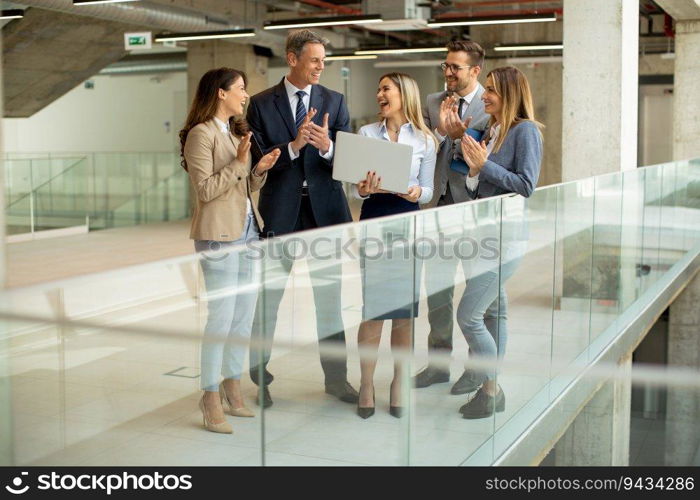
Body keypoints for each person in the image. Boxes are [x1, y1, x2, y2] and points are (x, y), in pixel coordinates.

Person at [245, 29, 358, 408]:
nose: (320, 67)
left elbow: (350, 160)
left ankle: (337, 380)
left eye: (324, 61)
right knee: (268, 300)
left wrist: (327, 147)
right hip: (281, 213)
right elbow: (257, 160)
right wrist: (293, 146)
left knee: (330, 300)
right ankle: (260, 379)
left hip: (326, 213)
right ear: (292, 58)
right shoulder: (261, 105)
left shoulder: (335, 101)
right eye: (314, 60)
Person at [181, 67, 281, 433]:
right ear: (221, 93)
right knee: (220, 319)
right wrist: (240, 164)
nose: (246, 94)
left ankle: (232, 384)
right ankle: (209, 395)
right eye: (241, 88)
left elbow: (242, 187)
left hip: (248, 232)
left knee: (242, 317)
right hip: (218, 237)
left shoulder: (234, 131)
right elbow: (205, 190)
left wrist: (258, 169)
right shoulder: (200, 134)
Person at [456, 66, 543, 419]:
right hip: (482, 235)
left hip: (505, 237)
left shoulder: (526, 132)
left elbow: (526, 185)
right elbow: (478, 184)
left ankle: (492, 384)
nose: (485, 95)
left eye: (491, 90)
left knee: (469, 316)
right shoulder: (491, 130)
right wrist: (475, 169)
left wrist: (484, 164)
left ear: (509, 94)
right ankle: (490, 391)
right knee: (495, 312)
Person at [353, 72, 437, 419]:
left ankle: (399, 380)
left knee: (404, 313)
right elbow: (356, 187)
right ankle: (367, 383)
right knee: (373, 311)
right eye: (378, 88)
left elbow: (428, 190)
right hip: (375, 219)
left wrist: (415, 191)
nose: (379, 94)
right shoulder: (366, 134)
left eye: (385, 88)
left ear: (404, 94)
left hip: (407, 220)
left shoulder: (425, 140)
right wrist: (364, 188)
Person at [414, 40, 491, 395]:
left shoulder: (490, 105)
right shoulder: (431, 102)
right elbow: (421, 148)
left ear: (475, 71)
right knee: (439, 292)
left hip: (474, 212)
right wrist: (441, 132)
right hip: (438, 210)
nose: (447, 72)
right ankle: (438, 365)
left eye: (455, 68)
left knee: (477, 296)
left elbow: (483, 158)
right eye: (445, 65)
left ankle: (477, 370)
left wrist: (459, 138)